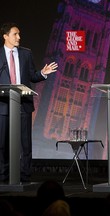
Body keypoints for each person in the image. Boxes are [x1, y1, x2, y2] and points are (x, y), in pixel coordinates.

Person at [0, 22, 58, 183]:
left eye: (19, 34)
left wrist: (43, 73)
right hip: (3, 105)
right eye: (15, 34)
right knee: (2, 143)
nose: (19, 37)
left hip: (23, 104)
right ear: (5, 36)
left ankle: (25, 176)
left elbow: (32, 76)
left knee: (25, 143)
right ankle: (3, 176)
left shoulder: (26, 54)